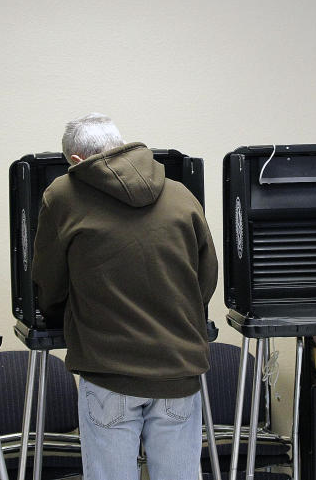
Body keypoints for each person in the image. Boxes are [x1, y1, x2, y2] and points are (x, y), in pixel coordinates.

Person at [32, 113, 218, 480]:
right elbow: (206, 278)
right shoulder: (181, 194)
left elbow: (49, 285)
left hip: (108, 372)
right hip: (178, 369)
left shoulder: (62, 195)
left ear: (76, 161)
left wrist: (62, 313)